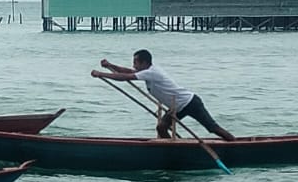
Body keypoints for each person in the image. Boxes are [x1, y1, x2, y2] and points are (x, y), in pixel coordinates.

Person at [91, 49, 236, 141]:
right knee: (161, 127)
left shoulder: (152, 72)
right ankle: (173, 149)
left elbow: (125, 77)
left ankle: (235, 144)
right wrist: (110, 65)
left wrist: (100, 74)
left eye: (136, 62)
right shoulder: (146, 72)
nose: (134, 65)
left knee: (212, 128)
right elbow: (127, 71)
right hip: (176, 106)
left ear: (144, 62)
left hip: (190, 102)